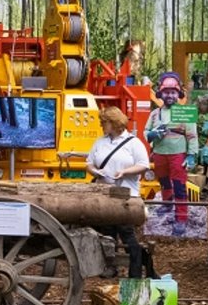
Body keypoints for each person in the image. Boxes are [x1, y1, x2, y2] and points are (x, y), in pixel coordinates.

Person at [84, 107, 150, 278]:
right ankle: (109, 267)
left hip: (125, 194)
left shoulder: (134, 143)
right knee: (107, 232)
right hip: (103, 193)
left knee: (126, 233)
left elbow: (143, 164)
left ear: (114, 123)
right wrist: (95, 172)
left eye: (103, 122)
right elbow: (89, 163)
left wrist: (125, 172)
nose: (101, 125)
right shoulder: (100, 142)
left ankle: (135, 270)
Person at [144, 71, 198, 234]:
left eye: (173, 92)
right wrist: (152, 134)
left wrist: (191, 155)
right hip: (160, 153)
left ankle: (181, 217)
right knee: (164, 182)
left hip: (178, 154)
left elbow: (192, 135)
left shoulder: (185, 112)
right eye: (166, 92)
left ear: (178, 94)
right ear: (161, 93)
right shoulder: (155, 113)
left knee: (179, 186)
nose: (170, 95)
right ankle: (167, 205)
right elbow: (146, 132)